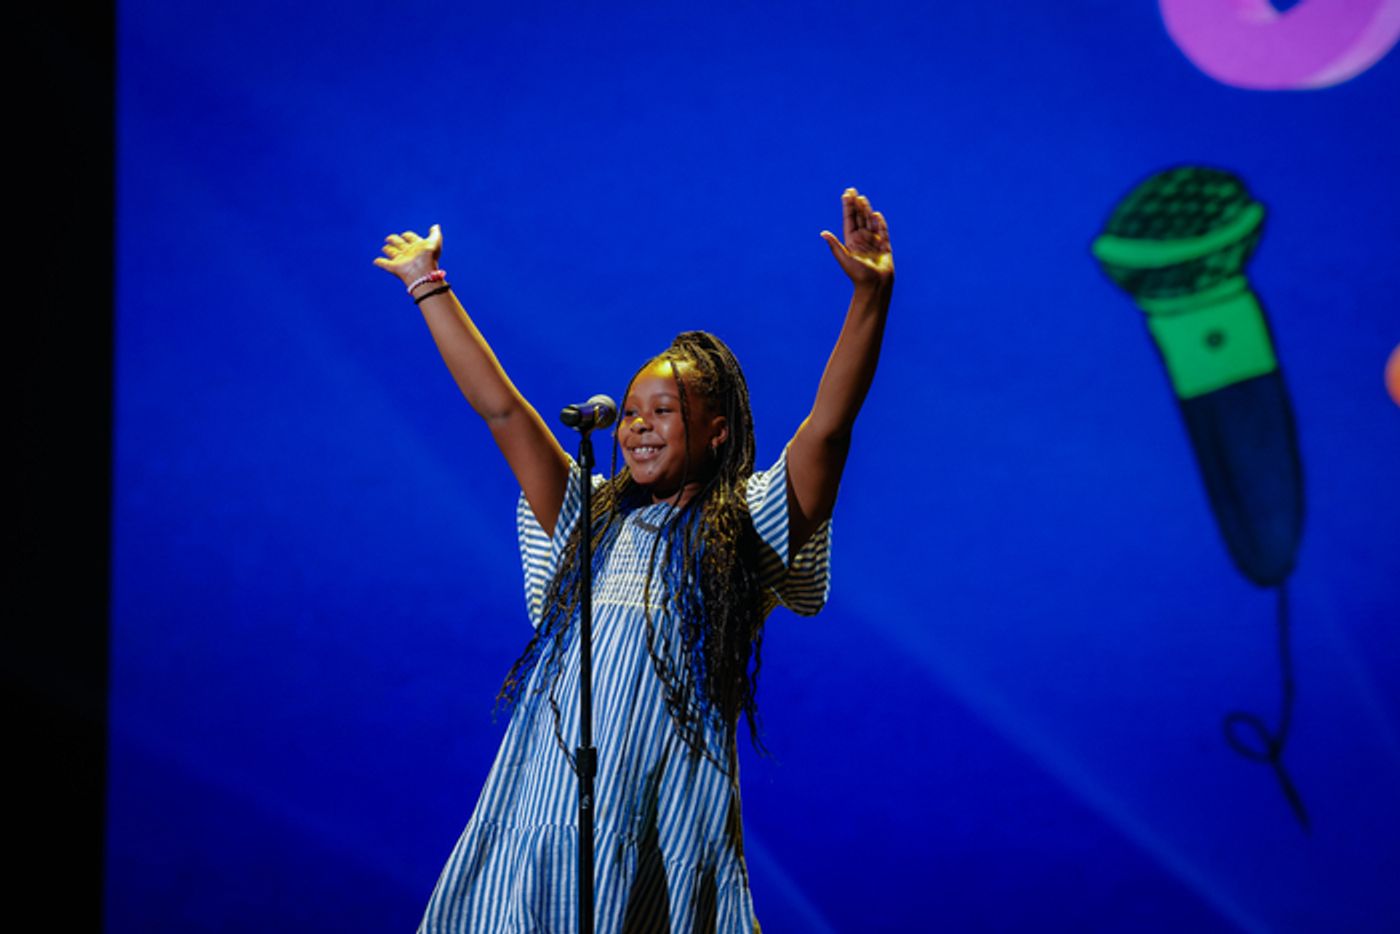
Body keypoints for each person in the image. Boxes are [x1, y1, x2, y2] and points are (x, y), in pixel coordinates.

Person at [375, 187, 894, 933]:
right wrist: (429, 287)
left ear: (717, 430)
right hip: (550, 802)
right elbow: (503, 411)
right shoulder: (587, 519)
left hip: (667, 812)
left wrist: (869, 297)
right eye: (631, 412)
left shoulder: (746, 524)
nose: (637, 427)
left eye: (665, 412)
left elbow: (829, 430)